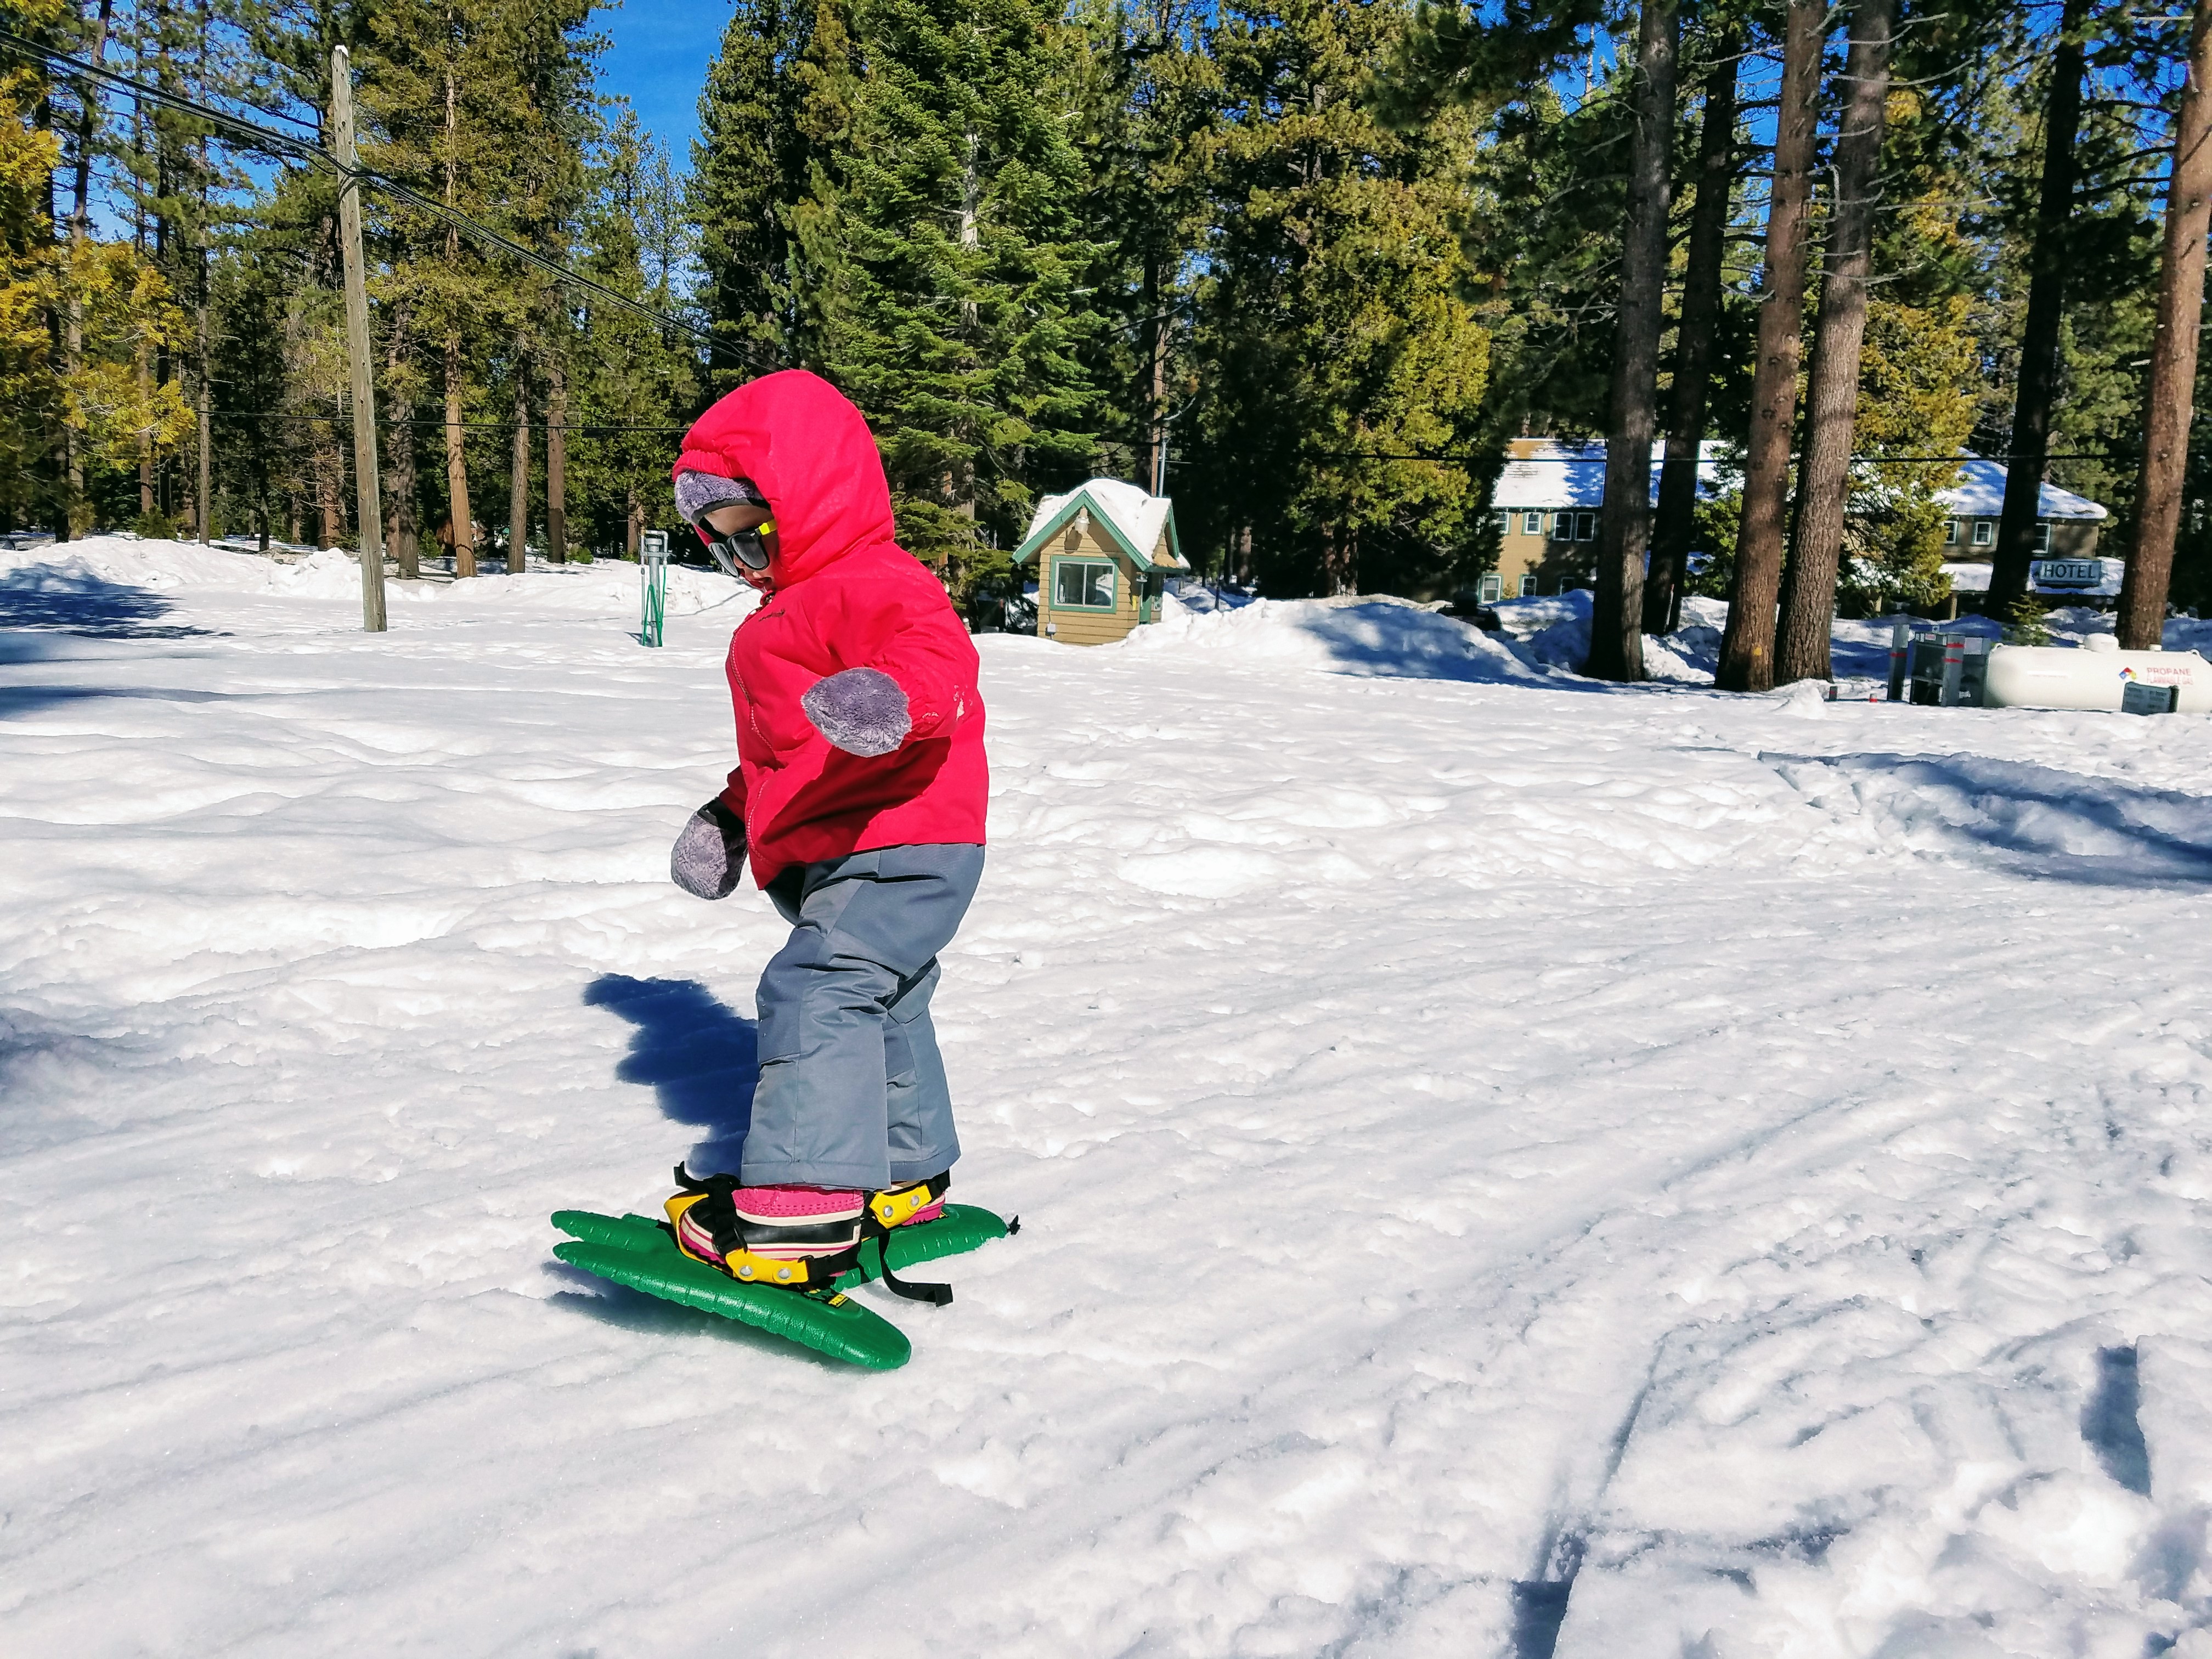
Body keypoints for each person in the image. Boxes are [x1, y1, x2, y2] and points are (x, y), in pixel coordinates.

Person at [661, 370, 988, 1299]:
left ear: (800, 498)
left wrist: (895, 699)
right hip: (839, 846)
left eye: (745, 528)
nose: (736, 557)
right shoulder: (777, 621)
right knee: (888, 998)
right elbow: (781, 754)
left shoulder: (878, 582)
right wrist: (729, 818)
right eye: (717, 541)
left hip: (907, 833)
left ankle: (803, 1205)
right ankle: (905, 1176)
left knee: (818, 989)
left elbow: (940, 667)